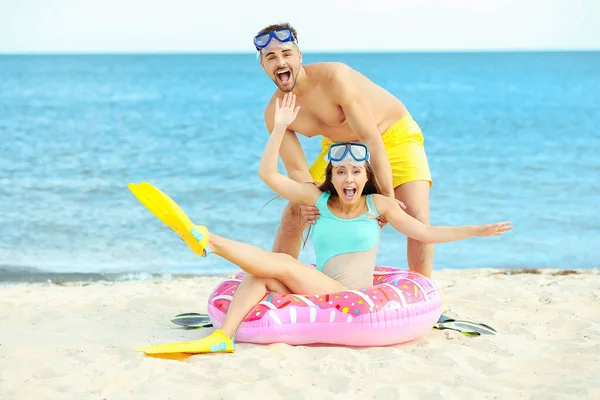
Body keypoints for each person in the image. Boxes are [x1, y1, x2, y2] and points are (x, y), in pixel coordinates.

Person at [130, 94, 513, 355]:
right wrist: (280, 126)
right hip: (318, 290)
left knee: (277, 263)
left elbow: (426, 233)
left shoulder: (379, 204)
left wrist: (476, 230)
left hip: (346, 294)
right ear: (332, 175)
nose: (349, 178)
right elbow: (268, 174)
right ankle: (222, 337)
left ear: (367, 177)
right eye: (341, 171)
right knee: (259, 273)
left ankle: (207, 240)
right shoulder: (319, 201)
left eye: (356, 172)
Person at [255, 23, 439, 278]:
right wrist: (309, 199)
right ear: (263, 65)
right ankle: (277, 282)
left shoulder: (335, 78)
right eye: (271, 57)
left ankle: (424, 290)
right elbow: (297, 169)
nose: (280, 61)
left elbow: (371, 138)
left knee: (415, 216)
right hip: (340, 149)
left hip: (393, 136)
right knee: (294, 210)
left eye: (286, 54)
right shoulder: (275, 112)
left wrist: (385, 197)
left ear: (299, 56)